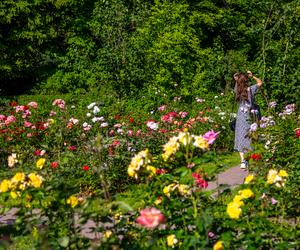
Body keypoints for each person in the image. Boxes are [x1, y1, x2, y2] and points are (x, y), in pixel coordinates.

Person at [234, 71, 263, 169]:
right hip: (250, 115)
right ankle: (254, 158)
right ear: (246, 81)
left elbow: (238, 84)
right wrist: (253, 76)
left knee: (240, 136)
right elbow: (260, 82)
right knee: (252, 136)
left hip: (241, 116)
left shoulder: (237, 90)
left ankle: (243, 161)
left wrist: (237, 79)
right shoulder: (251, 89)